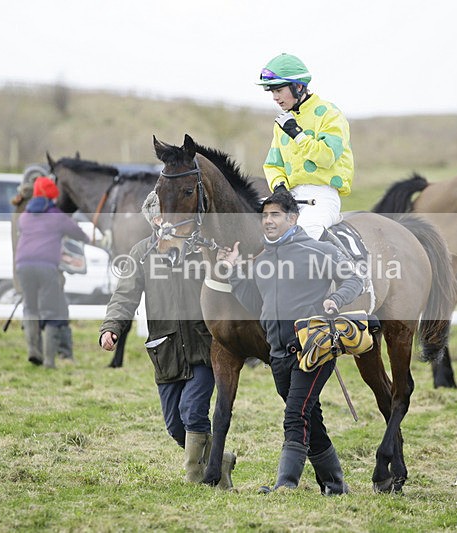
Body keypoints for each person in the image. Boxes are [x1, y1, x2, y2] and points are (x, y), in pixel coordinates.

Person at [217, 190, 362, 495]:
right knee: (309, 416)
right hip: (278, 354)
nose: (268, 221)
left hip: (314, 349)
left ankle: (286, 485)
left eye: (275, 215)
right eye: (265, 215)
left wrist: (336, 299)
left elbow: (355, 279)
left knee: (295, 415)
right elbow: (256, 304)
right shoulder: (263, 260)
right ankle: (335, 486)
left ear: (293, 218)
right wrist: (232, 272)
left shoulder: (319, 251)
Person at [99, 197, 236, 489]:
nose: (168, 221)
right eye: (162, 216)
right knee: (176, 426)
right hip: (166, 351)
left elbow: (225, 285)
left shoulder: (201, 249)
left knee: (192, 411)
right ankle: (220, 460)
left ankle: (197, 480)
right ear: (153, 220)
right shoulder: (141, 253)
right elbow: (124, 297)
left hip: (202, 347)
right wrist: (111, 328)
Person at [257, 53, 355, 240]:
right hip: (290, 197)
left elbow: (326, 157)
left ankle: (345, 267)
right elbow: (272, 165)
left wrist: (298, 135)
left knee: (303, 234)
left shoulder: (329, 113)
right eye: (272, 92)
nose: (275, 98)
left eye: (279, 90)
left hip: (322, 196)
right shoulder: (282, 124)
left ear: (298, 86)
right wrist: (280, 189)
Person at [15, 176, 89, 368]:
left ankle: (33, 350)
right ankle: (49, 361)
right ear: (52, 196)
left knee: (30, 308)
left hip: (23, 265)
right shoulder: (56, 216)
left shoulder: (24, 216)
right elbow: (78, 233)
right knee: (51, 312)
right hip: (47, 267)